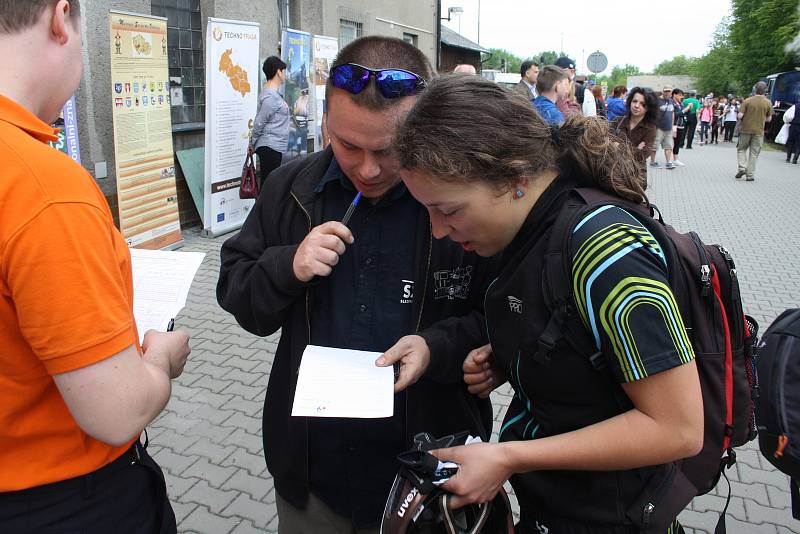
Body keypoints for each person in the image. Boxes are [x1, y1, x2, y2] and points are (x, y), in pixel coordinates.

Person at [395, 74, 702, 534]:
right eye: (426, 211)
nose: (437, 230)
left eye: (450, 210)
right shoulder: (531, 229)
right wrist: (516, 358)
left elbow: (678, 427)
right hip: (557, 508)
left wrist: (508, 457)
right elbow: (584, 347)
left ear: (517, 175)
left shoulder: (605, 247)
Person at [216, 36, 495, 533]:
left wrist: (447, 348)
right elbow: (238, 295)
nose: (367, 169)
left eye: (387, 151)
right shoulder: (292, 189)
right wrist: (288, 265)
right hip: (314, 475)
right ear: (324, 122)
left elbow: (505, 315)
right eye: (347, 146)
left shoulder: (461, 199)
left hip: (429, 477)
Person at [0, 2, 191, 532]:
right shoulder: (43, 187)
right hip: (61, 501)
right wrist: (159, 361)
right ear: (62, 17)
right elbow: (117, 410)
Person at [252, 56, 290, 187]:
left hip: (274, 147)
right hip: (270, 147)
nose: (285, 74)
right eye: (283, 70)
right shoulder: (270, 97)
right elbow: (259, 122)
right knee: (269, 186)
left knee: (270, 185)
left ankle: (267, 207)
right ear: (278, 72)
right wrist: (252, 144)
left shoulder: (273, 95)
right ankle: (265, 208)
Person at [610, 86, 658, 180]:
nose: (636, 106)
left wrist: (618, 146)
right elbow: (607, 145)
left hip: (635, 177)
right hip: (612, 173)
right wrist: (636, 148)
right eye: (634, 101)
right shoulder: (617, 121)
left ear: (648, 107)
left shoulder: (650, 128)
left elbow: (643, 154)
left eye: (642, 103)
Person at [735, 81, 773, 181]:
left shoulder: (747, 101)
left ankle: (742, 168)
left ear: (755, 89)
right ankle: (750, 175)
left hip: (745, 130)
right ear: (765, 90)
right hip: (759, 131)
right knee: (754, 153)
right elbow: (769, 119)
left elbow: (740, 116)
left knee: (741, 149)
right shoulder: (768, 102)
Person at [649, 86, 676, 169]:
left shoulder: (671, 101)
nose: (667, 93)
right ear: (662, 91)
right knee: (655, 146)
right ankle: (652, 162)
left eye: (669, 91)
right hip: (659, 128)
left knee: (669, 146)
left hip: (668, 128)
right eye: (666, 91)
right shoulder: (657, 101)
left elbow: (672, 113)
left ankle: (668, 162)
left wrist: (672, 125)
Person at [672, 88, 687, 166]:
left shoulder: (681, 103)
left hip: (681, 125)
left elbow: (683, 114)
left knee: (677, 143)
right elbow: (675, 114)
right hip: (673, 125)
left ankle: (676, 159)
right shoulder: (672, 103)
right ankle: (669, 159)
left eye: (682, 95)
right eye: (680, 95)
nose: (681, 97)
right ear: (674, 95)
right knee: (671, 143)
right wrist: (685, 110)